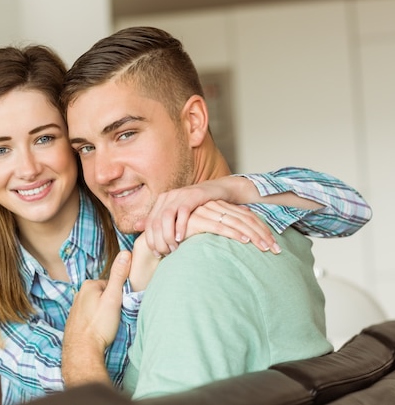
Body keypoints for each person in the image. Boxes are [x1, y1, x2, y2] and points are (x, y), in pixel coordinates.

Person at [0, 43, 371, 405]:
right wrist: (137, 281)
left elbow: (350, 209)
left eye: (45, 138)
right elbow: (84, 384)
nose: (27, 168)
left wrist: (227, 189)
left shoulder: (135, 212)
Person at [59, 26, 372, 400]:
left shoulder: (199, 267)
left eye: (125, 134)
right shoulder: (263, 225)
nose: (102, 173)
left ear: (193, 121)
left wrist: (80, 360)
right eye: (86, 148)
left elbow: (351, 206)